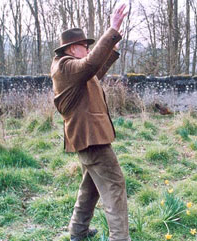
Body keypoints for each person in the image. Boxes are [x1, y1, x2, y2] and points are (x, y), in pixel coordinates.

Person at [50, 4, 130, 241]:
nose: (88, 49)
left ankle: (77, 231)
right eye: (85, 46)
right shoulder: (65, 66)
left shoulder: (73, 69)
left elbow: (95, 71)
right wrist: (112, 29)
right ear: (72, 48)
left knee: (91, 187)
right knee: (115, 185)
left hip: (87, 137)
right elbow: (89, 66)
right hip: (91, 139)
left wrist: (111, 48)